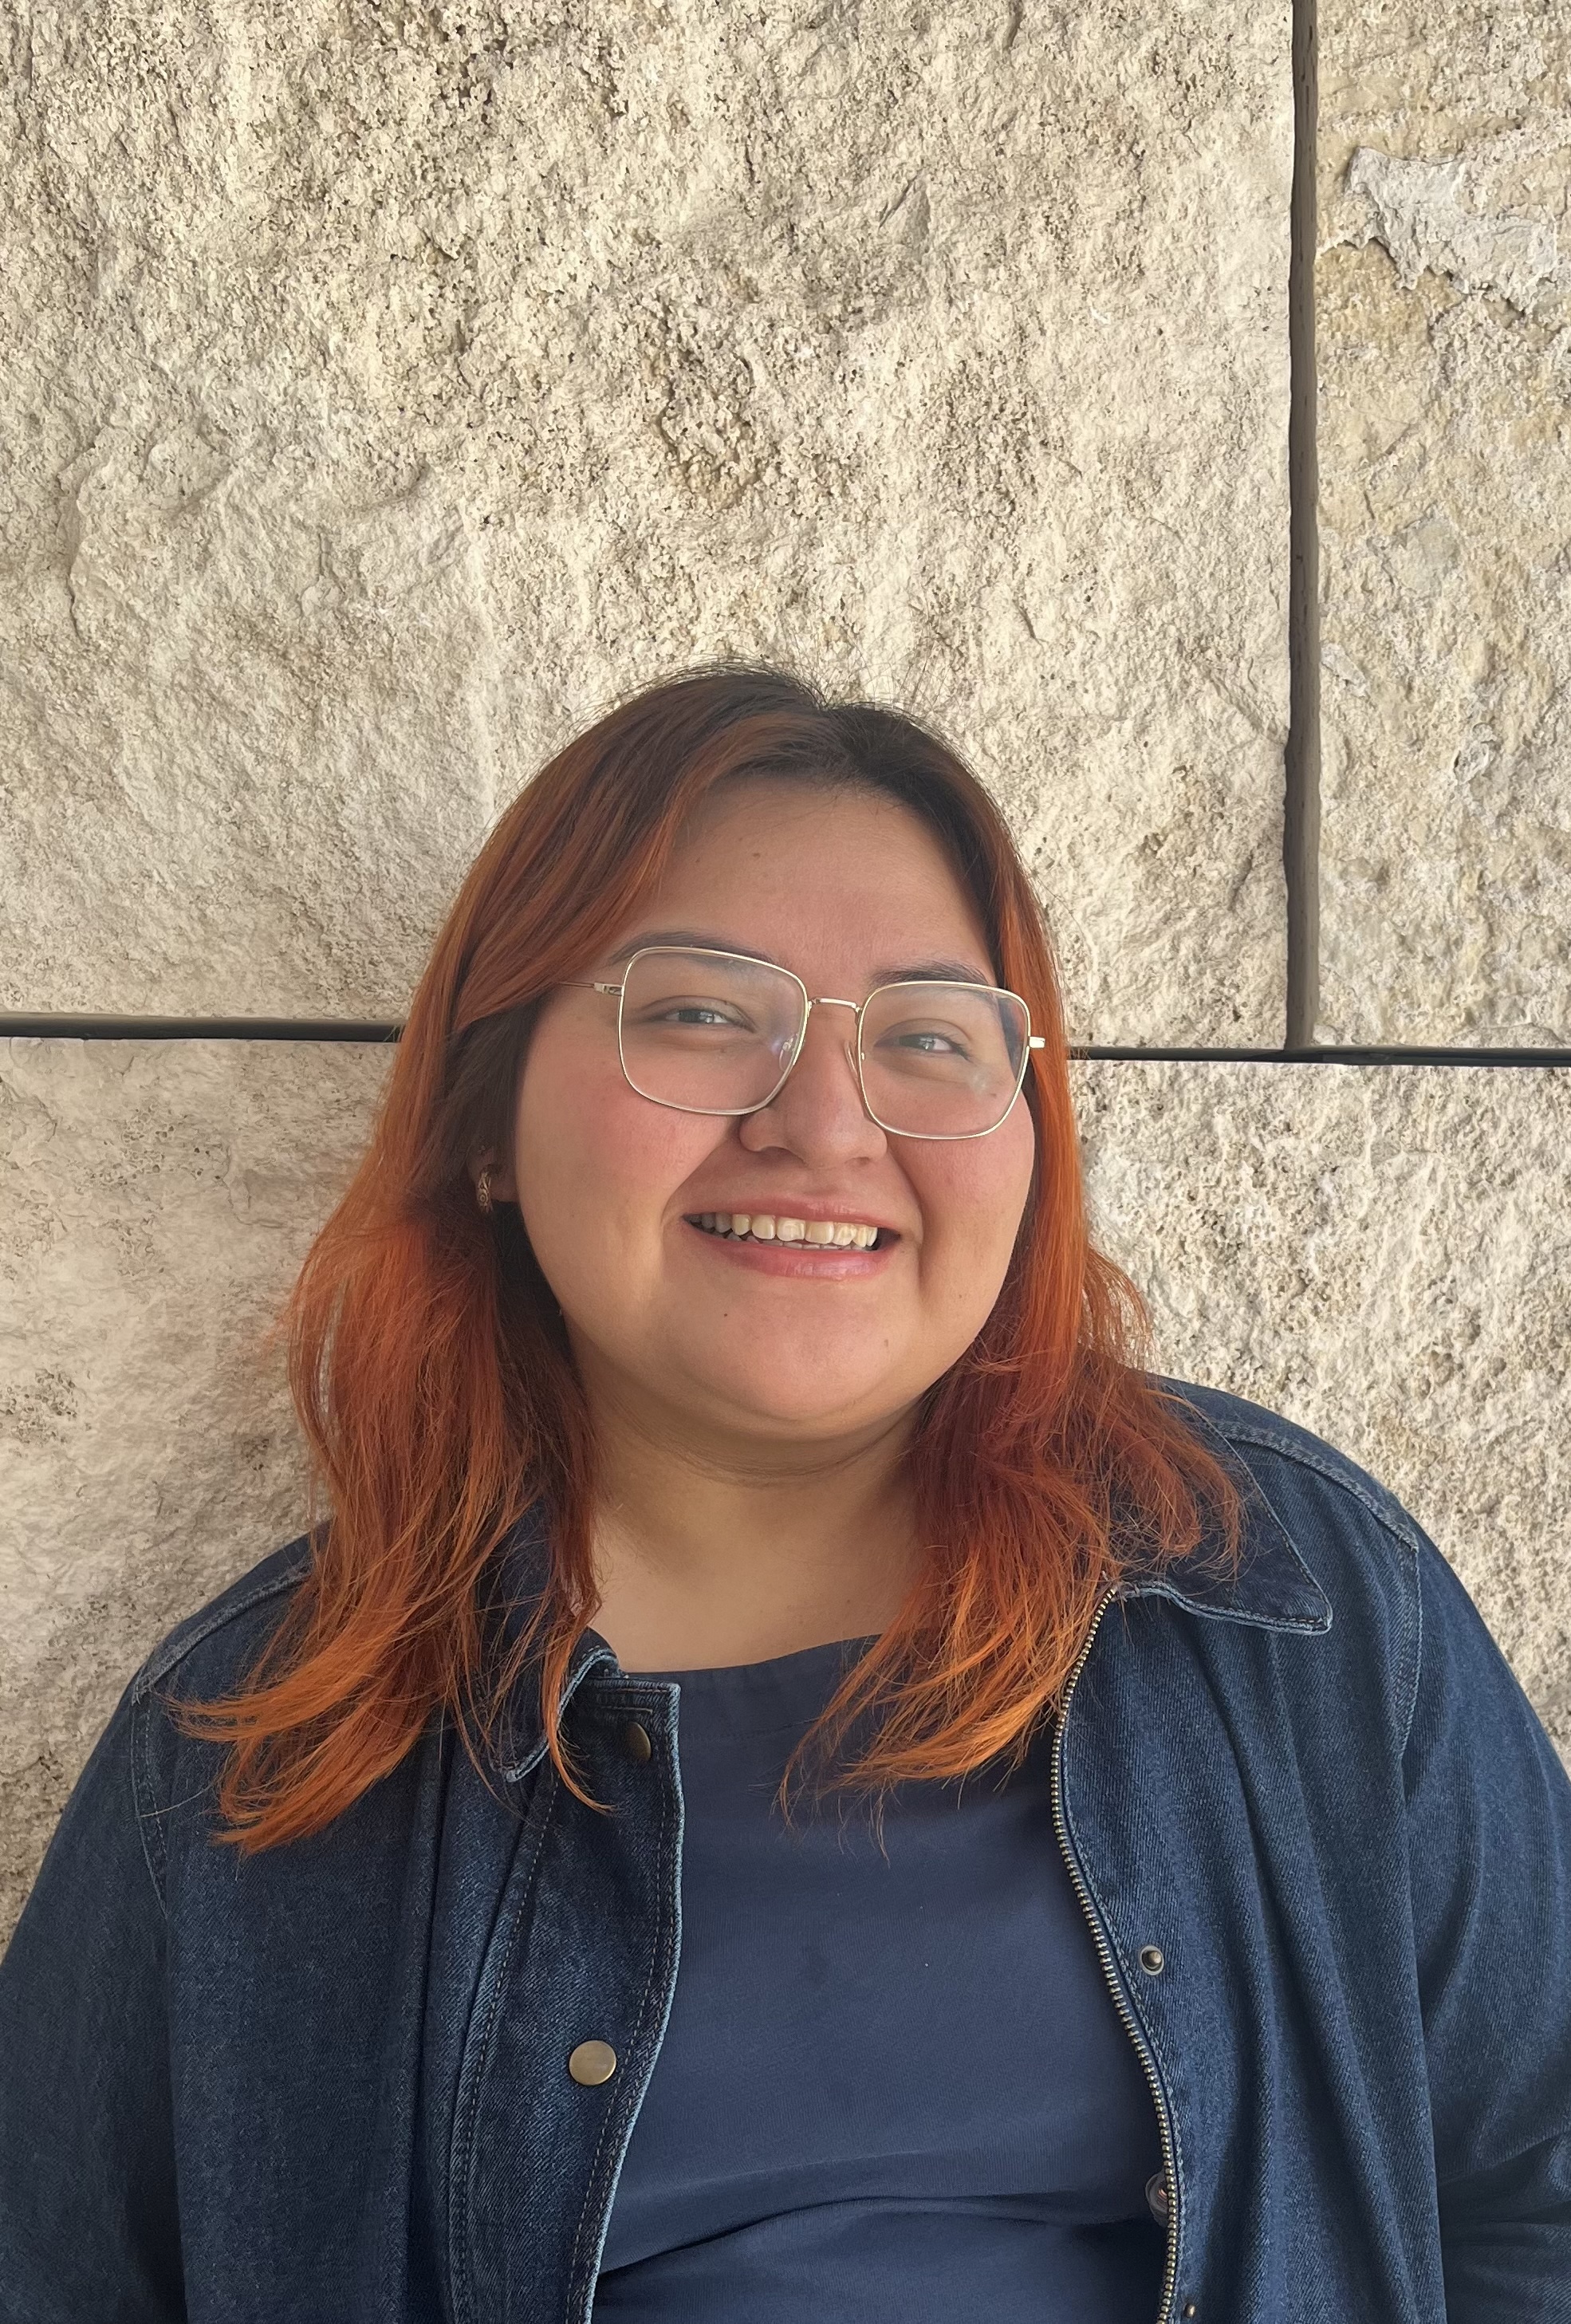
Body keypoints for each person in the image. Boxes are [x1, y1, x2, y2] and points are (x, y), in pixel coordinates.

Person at [1, 663, 1568, 2324]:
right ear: (484, 1124)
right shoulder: (251, 1750)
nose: (823, 1122)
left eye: (925, 1036)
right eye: (694, 1009)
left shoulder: (1293, 1597)